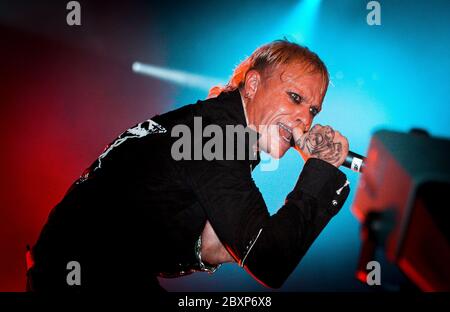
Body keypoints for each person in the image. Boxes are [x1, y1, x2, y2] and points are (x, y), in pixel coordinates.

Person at [27, 40, 350, 292]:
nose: (304, 120)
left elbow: (209, 236)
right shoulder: (214, 136)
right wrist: (320, 172)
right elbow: (269, 261)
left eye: (313, 111)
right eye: (295, 98)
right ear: (252, 85)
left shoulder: (213, 129)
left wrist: (201, 250)